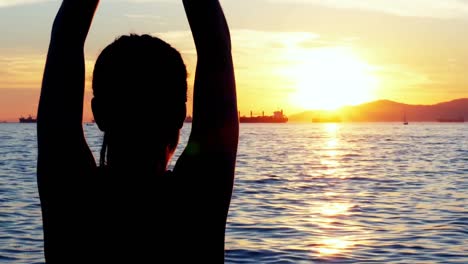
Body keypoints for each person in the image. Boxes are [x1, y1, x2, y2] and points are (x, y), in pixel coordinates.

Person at [37, 0, 238, 262]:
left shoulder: (71, 196)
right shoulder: (197, 200)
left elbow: (65, 40)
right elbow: (216, 47)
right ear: (180, 114)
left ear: (98, 113)